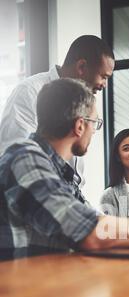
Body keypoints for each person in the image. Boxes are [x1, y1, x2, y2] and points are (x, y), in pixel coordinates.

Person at [0, 79, 129, 261]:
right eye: (95, 123)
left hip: (49, 283)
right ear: (80, 126)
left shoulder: (62, 172)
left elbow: (96, 221)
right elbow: (90, 232)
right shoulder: (24, 158)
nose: (94, 132)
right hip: (19, 292)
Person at [0, 35, 115, 187]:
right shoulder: (29, 92)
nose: (104, 85)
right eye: (103, 77)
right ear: (81, 67)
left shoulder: (82, 102)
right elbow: (18, 162)